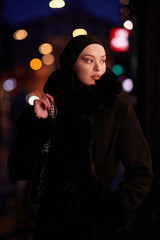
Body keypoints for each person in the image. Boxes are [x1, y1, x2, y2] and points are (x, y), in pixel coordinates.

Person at [7, 35, 153, 240]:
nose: (98, 68)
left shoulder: (118, 110)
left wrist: (114, 209)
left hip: (96, 227)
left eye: (102, 60)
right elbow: (19, 170)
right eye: (88, 60)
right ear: (71, 63)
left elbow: (141, 172)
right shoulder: (50, 108)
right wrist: (38, 125)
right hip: (51, 225)